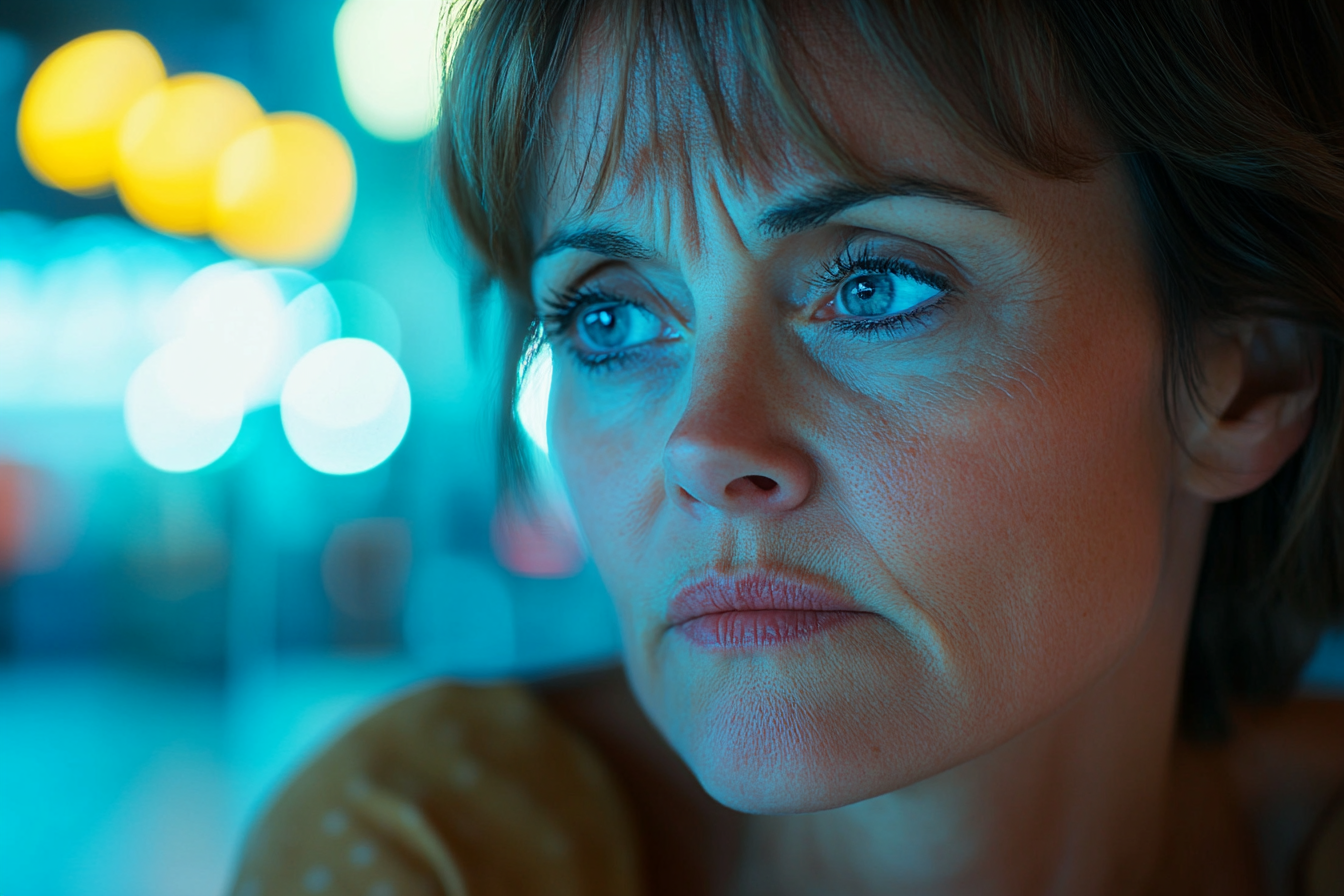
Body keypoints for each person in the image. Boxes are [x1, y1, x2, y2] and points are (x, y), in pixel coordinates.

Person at [229, 1, 1344, 893]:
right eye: (610, 317)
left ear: (1246, 376)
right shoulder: (427, 851)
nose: (708, 446)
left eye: (875, 287)